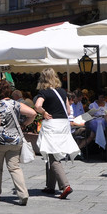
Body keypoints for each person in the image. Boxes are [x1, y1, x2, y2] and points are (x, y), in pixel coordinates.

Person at [0, 81, 37, 205]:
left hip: (0, 142)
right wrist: (24, 124)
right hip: (16, 141)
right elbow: (33, 113)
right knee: (15, 168)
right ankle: (23, 194)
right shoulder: (17, 104)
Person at [34, 68, 80, 199]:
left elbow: (37, 106)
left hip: (52, 124)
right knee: (53, 152)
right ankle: (50, 186)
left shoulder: (44, 92)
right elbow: (69, 111)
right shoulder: (62, 92)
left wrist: (43, 112)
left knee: (52, 155)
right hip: (63, 125)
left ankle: (65, 185)